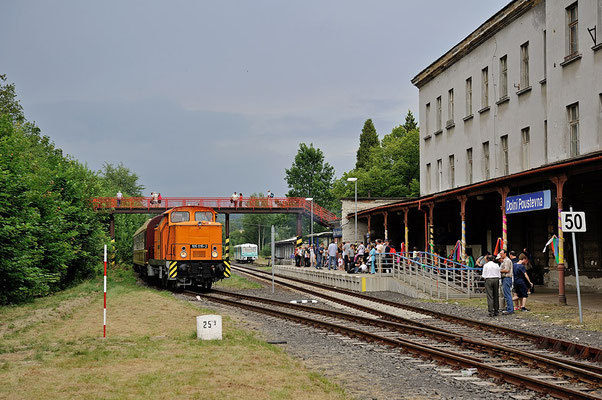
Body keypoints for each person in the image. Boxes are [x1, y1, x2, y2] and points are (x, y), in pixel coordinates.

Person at [498, 249, 514, 315]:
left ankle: (510, 309)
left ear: (505, 253)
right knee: (506, 294)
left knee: (507, 294)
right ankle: (509, 308)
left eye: (501, 253)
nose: (500, 255)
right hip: (504, 278)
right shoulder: (503, 261)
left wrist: (499, 270)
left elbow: (507, 270)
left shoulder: (507, 261)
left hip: (507, 278)